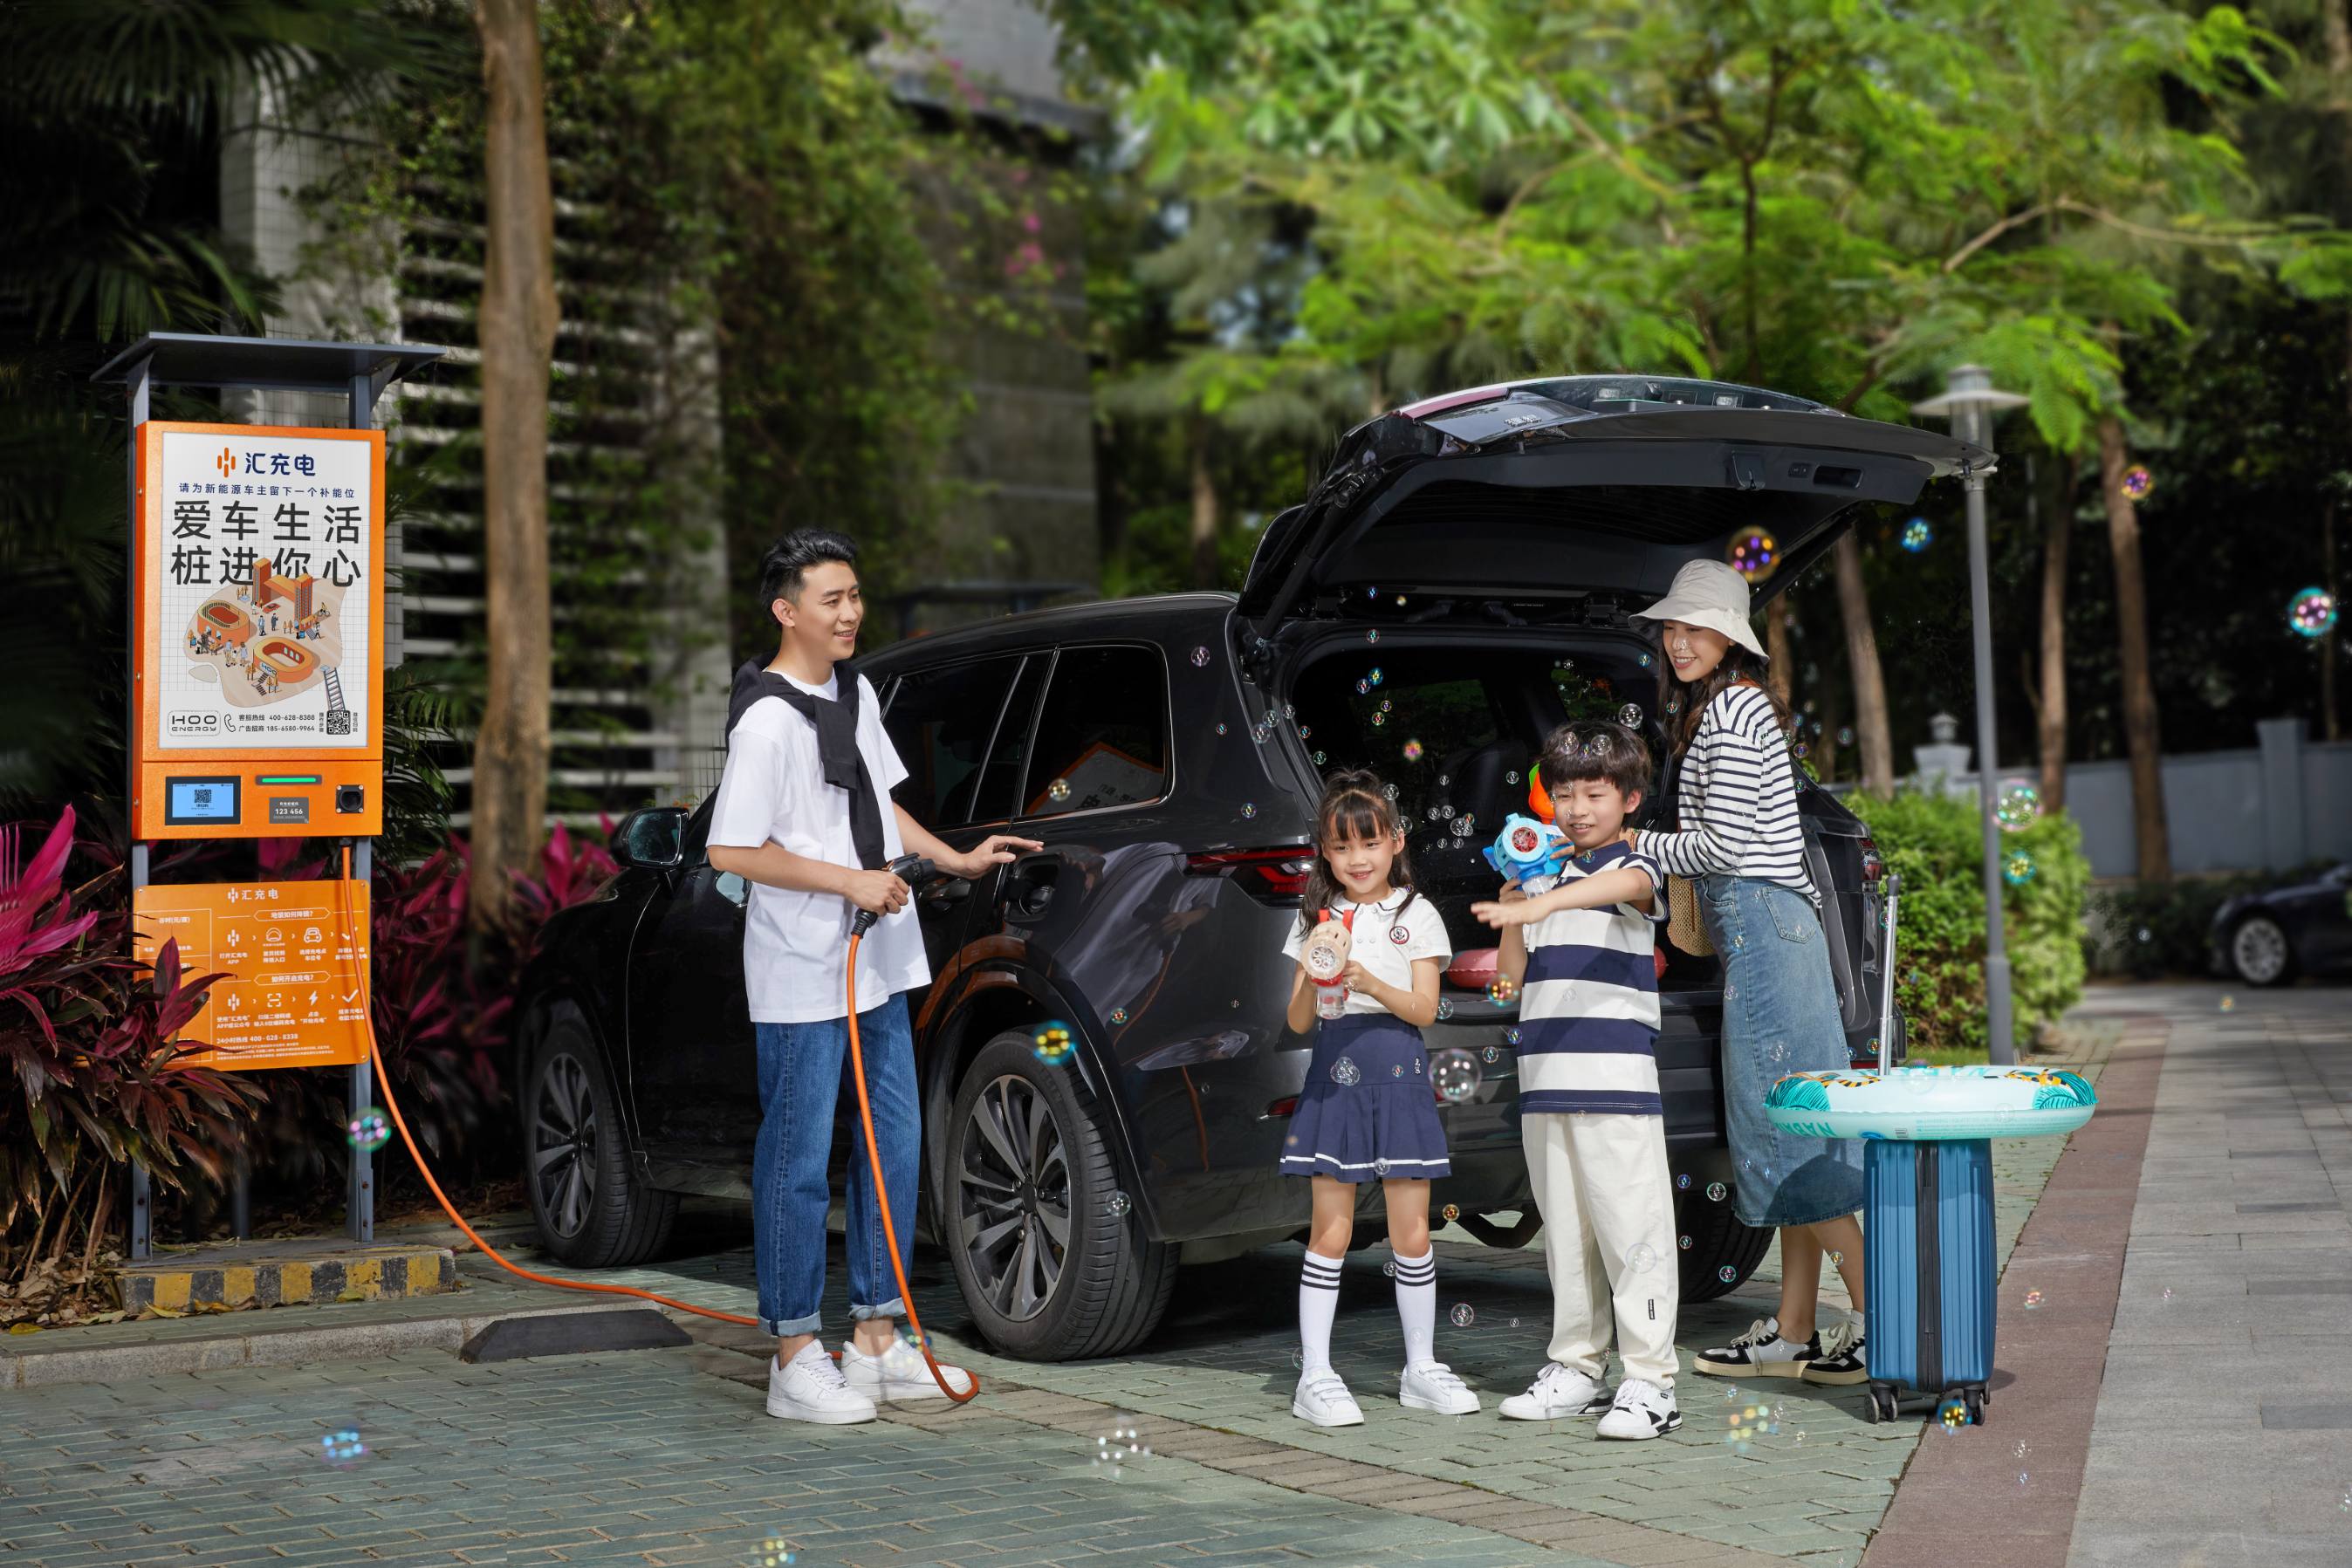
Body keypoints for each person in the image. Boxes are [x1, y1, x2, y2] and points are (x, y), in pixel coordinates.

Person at [706, 527, 1041, 1424]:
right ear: (786, 611)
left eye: (855, 595)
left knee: (892, 1142)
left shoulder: (852, 694)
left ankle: (875, 1340)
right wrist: (848, 880)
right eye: (832, 599)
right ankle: (791, 1354)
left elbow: (881, 804)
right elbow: (731, 848)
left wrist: (955, 858)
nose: (850, 612)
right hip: (802, 965)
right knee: (796, 1158)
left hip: (877, 961)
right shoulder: (765, 721)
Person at [1629, 558, 1868, 1385]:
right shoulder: (1729, 705)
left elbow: (1725, 845)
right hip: (1768, 931)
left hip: (1763, 927)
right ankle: (1794, 1330)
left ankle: (1882, 1319)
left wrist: (1630, 844)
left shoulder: (1731, 710)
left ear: (1729, 637)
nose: (1678, 640)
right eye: (1671, 626)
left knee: (1782, 1135)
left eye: (1694, 627)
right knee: (1793, 1132)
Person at [1471, 721, 1682, 1438]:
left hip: (1615, 1084)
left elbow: (1627, 887)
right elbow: (1509, 983)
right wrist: (1515, 908)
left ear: (1629, 799)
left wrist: (1543, 901)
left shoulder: (1634, 867)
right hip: (1545, 1081)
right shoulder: (1543, 879)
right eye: (1564, 795)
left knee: (1633, 1231)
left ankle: (1651, 1381)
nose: (1577, 808)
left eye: (1594, 793)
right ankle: (1576, 1367)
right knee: (1564, 1237)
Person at [1279, 770, 1478, 1428]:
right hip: (1335, 1077)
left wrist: (1367, 980)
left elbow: (1422, 1007)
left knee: (1411, 1231)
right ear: (1325, 852)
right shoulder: (1315, 917)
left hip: (1400, 1077)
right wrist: (1316, 970)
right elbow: (1298, 1021)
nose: (1356, 859)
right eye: (1341, 847)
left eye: (1369, 843)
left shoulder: (1415, 913)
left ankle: (1421, 1367)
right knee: (1330, 1230)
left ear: (1395, 841)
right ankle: (1315, 1373)